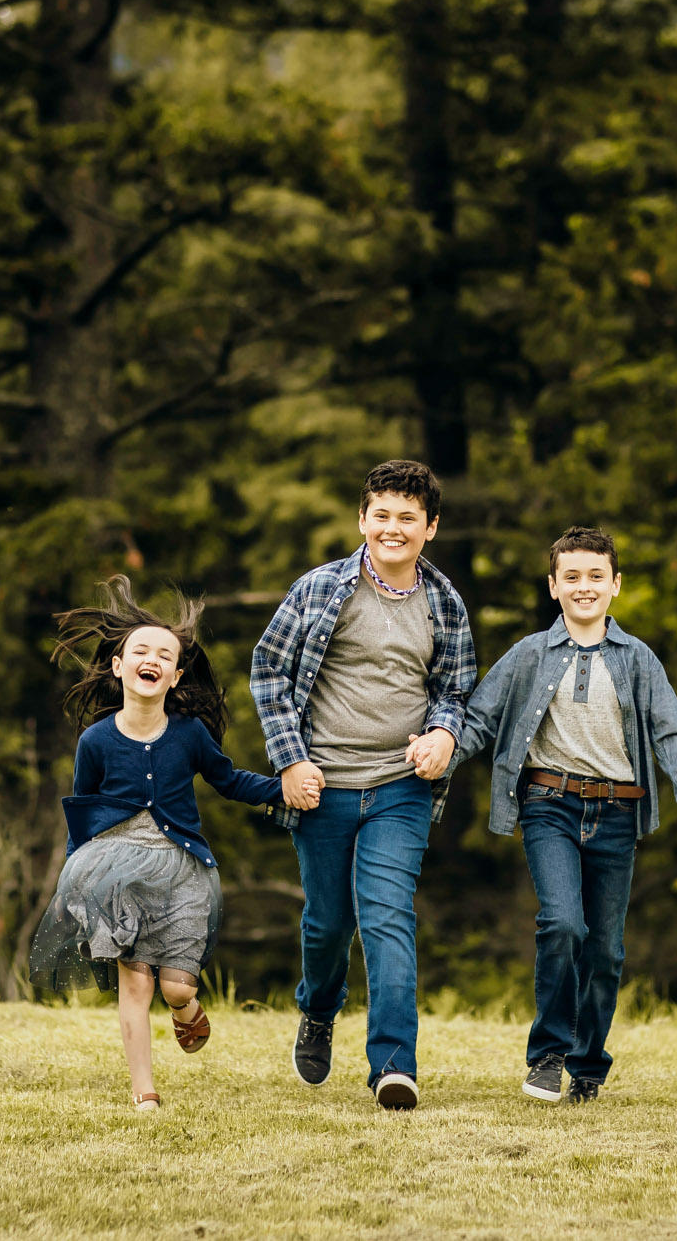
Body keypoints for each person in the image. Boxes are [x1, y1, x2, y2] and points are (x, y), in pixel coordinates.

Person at [453, 526, 677, 1105]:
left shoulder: (638, 660)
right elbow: (479, 718)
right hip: (549, 805)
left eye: (596, 576)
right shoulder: (528, 654)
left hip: (617, 815)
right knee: (563, 923)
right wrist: (440, 750)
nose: (584, 586)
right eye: (571, 576)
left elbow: (674, 733)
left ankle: (588, 1065)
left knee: (605, 950)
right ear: (553, 586)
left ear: (615, 585)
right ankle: (547, 1054)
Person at [29, 576, 307, 1112]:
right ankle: (144, 1093)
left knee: (175, 988)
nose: (151, 658)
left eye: (164, 654)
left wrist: (286, 788)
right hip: (115, 868)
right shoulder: (96, 741)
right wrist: (74, 879)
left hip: (182, 867)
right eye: (140, 650)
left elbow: (229, 781)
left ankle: (186, 1010)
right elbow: (83, 811)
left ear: (175, 676)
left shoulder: (188, 734)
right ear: (119, 666)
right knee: (135, 985)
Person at [250, 459, 477, 1110]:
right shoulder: (321, 589)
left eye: (409, 517)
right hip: (324, 784)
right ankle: (319, 1009)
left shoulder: (444, 602)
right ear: (362, 519)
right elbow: (269, 670)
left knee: (387, 918)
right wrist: (290, 760)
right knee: (326, 925)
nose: (393, 527)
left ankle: (393, 1066)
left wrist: (444, 735)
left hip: (400, 786)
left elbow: (454, 688)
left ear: (430, 527)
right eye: (382, 514)